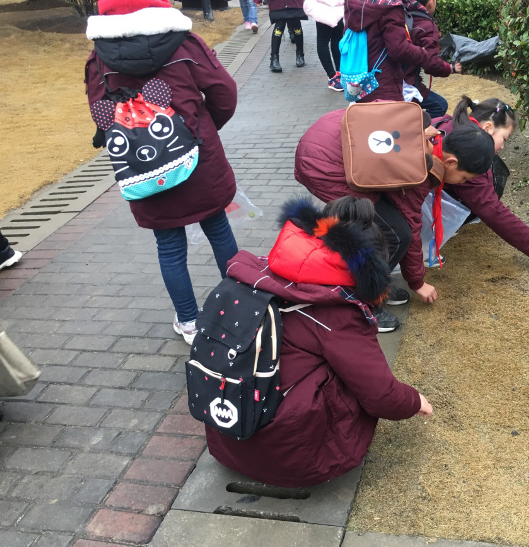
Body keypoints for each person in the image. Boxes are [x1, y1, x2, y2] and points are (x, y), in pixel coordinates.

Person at [206, 196, 433, 488]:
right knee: (351, 376)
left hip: (227, 432)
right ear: (371, 267)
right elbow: (380, 395)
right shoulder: (338, 312)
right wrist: (414, 401)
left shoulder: (260, 273)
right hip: (288, 459)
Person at [84, 0, 240, 344]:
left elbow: (102, 113)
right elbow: (224, 92)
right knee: (218, 228)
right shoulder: (184, 43)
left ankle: (189, 321)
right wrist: (204, 126)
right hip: (199, 155)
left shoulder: (99, 59)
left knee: (168, 246)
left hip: (145, 168)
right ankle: (239, 308)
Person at [295, 108, 495, 331]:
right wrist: (417, 282)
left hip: (332, 134)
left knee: (388, 225)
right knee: (395, 234)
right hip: (326, 164)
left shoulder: (430, 133)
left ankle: (377, 282)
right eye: (464, 177)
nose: (462, 183)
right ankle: (364, 300)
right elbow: (411, 225)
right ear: (450, 162)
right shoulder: (419, 168)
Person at [434, 96, 529, 263]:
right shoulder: (470, 154)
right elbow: (491, 209)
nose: (503, 146)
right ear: (488, 128)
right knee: (483, 197)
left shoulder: (451, 122)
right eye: (504, 138)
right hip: (421, 205)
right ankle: (426, 245)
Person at [343, 0, 458, 103]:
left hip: (360, 80)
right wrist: (423, 54)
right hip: (384, 83)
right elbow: (399, 49)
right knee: (393, 119)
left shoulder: (355, 4)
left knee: (367, 117)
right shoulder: (390, 7)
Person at [403, 0, 456, 118]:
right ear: (430, 2)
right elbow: (432, 63)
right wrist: (450, 68)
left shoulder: (402, 13)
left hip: (392, 77)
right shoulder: (425, 25)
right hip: (406, 82)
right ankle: (417, 127)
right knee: (440, 105)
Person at [303, 0, 344, 91]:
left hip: (336, 6)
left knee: (337, 38)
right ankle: (332, 76)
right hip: (323, 7)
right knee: (324, 40)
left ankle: (339, 72)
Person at [268, 0, 308, 72]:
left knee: (296, 25)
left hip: (294, 3)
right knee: (279, 26)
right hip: (278, 4)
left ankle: (300, 55)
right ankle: (274, 59)